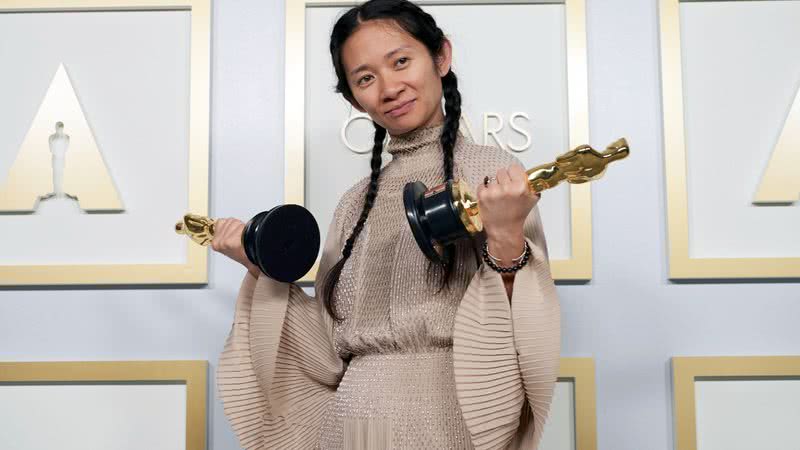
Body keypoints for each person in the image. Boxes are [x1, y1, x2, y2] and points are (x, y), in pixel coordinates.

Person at [211, 1, 561, 448]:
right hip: (350, 427)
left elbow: (521, 330)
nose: (389, 87)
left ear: (441, 57)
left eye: (400, 61)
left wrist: (507, 234)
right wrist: (261, 267)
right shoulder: (352, 203)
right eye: (365, 78)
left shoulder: (494, 174)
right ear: (353, 98)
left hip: (450, 418)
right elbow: (323, 349)